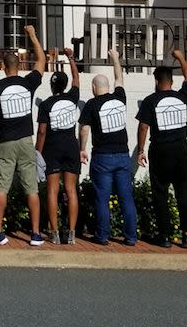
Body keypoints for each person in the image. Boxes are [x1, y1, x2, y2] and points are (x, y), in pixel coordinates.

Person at [0, 24, 46, 246]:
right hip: (25, 140)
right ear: (20, 65)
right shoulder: (28, 83)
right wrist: (32, 35)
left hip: (4, 142)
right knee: (31, 187)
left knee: (2, 187)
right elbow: (41, 61)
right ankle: (36, 233)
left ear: (2, 67)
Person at [78, 48, 138, 246]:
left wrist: (82, 148)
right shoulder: (120, 98)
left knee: (102, 199)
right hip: (122, 154)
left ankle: (103, 236)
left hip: (102, 157)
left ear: (94, 87)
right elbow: (119, 78)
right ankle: (130, 237)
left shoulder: (91, 105)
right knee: (126, 198)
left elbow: (84, 129)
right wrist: (115, 59)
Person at [137, 48, 187, 249]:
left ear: (156, 81)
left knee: (160, 193)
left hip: (160, 150)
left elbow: (144, 126)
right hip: (181, 149)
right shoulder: (182, 97)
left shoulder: (150, 101)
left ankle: (165, 235)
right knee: (184, 192)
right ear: (171, 81)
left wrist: (140, 150)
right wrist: (180, 58)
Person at [35, 47, 81, 245]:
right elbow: (77, 79)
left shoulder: (45, 104)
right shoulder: (72, 98)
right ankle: (71, 232)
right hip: (71, 145)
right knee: (71, 190)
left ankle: (53, 232)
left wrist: (38, 151)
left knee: (52, 190)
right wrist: (71, 58)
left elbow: (42, 131)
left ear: (52, 87)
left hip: (52, 148)